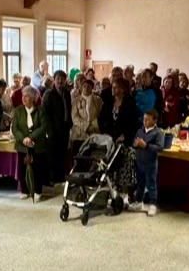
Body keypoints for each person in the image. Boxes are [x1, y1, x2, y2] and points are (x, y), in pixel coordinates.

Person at [99, 78, 139, 206]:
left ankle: (127, 194)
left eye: (116, 87)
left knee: (126, 163)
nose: (113, 90)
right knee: (110, 166)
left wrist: (125, 136)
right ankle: (113, 192)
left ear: (122, 89)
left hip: (125, 140)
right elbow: (101, 119)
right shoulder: (108, 102)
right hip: (111, 140)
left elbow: (135, 124)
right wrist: (105, 133)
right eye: (112, 87)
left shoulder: (130, 103)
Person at [12, 86, 50, 201]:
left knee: (37, 168)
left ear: (33, 98)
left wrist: (31, 137)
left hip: (37, 145)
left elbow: (43, 127)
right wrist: (23, 139)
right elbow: (15, 128)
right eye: (23, 96)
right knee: (23, 168)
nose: (24, 98)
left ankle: (37, 190)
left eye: (27, 96)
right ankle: (25, 190)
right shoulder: (18, 111)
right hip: (22, 145)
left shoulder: (40, 110)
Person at [130, 109, 165, 217]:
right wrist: (135, 144)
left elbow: (160, 148)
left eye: (148, 120)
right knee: (140, 184)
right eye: (144, 119)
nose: (145, 121)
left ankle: (153, 204)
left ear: (155, 121)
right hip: (139, 161)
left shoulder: (158, 132)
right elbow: (134, 142)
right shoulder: (140, 131)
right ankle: (139, 202)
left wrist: (146, 145)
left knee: (151, 184)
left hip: (150, 163)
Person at [42, 70, 73, 184]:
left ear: (65, 80)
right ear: (54, 80)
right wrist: (49, 130)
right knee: (52, 155)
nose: (60, 81)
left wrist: (69, 124)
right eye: (58, 78)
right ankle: (51, 178)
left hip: (65, 128)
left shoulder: (67, 93)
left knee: (62, 153)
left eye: (62, 79)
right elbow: (45, 114)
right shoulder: (48, 94)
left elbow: (69, 109)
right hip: (53, 129)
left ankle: (60, 177)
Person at [71, 79, 102, 152]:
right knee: (79, 157)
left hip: (94, 133)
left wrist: (94, 125)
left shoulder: (98, 100)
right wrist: (86, 126)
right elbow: (74, 117)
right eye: (84, 86)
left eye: (89, 86)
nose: (86, 88)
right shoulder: (76, 100)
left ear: (92, 88)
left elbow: (101, 114)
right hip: (79, 134)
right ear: (81, 87)